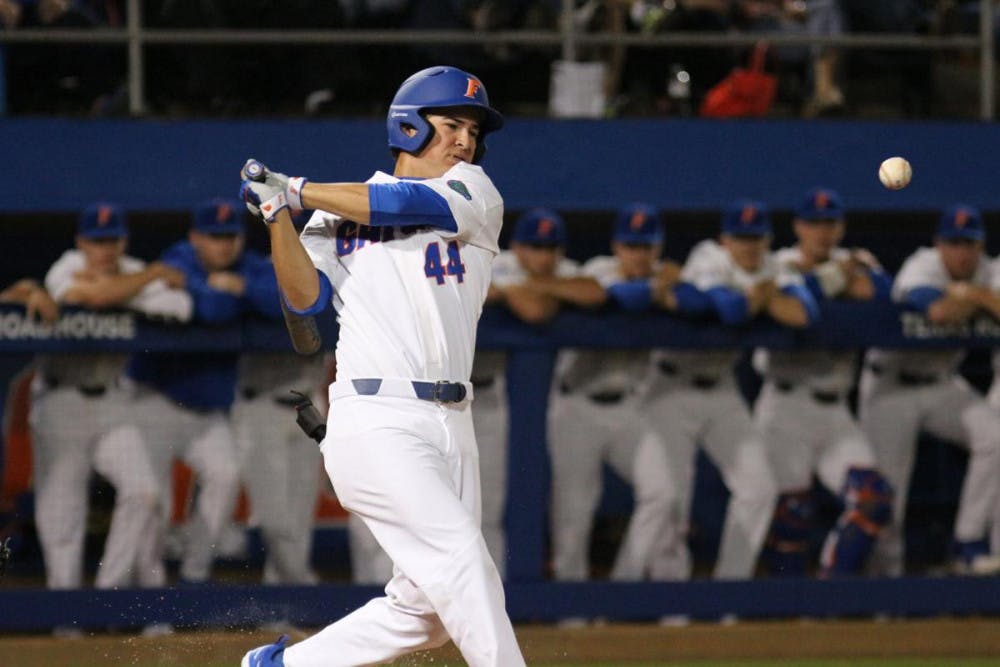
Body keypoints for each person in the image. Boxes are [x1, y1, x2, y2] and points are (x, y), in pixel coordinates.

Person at [238, 65, 526, 667]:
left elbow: (400, 202)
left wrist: (296, 190)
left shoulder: (474, 190)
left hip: (455, 421)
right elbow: (303, 301)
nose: (465, 141)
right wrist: (276, 218)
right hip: (376, 417)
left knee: (424, 613)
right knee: (462, 561)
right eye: (450, 125)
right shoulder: (329, 215)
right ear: (408, 126)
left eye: (473, 130)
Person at [637, 200, 813, 582]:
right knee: (672, 501)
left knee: (759, 488)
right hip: (671, 386)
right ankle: (670, 607)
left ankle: (728, 594)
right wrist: (764, 295)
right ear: (725, 239)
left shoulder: (772, 266)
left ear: (767, 240)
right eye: (740, 237)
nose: (748, 246)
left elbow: (802, 314)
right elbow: (728, 309)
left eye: (756, 238)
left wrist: (757, 296)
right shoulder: (708, 257)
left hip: (722, 389)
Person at [30, 202, 191, 596]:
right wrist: (147, 278)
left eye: (113, 240)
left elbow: (179, 305)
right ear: (81, 242)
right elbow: (81, 296)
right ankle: (65, 615)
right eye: (97, 241)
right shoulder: (66, 265)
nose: (105, 250)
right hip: (60, 400)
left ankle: (107, 594)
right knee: (62, 514)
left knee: (144, 492)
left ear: (124, 241)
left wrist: (115, 289)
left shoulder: (132, 269)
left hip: (111, 403)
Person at [127, 198, 281, 584]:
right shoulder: (178, 256)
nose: (224, 245)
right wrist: (213, 289)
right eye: (214, 237)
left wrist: (239, 288)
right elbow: (213, 311)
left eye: (230, 237)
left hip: (208, 410)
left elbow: (286, 300)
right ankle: (151, 592)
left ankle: (194, 576)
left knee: (226, 475)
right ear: (195, 237)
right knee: (153, 501)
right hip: (155, 400)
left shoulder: (249, 267)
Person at [753, 187, 894, 577]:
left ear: (840, 227)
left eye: (829, 223)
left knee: (873, 499)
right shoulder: (776, 262)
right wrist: (838, 278)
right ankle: (786, 614)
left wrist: (841, 277)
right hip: (784, 406)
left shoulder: (858, 263)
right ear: (798, 226)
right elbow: (803, 298)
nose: (822, 231)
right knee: (791, 515)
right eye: (814, 223)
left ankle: (830, 599)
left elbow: (886, 295)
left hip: (835, 412)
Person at [859, 204, 1000, 577]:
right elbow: (937, 312)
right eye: (954, 243)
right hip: (891, 385)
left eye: (969, 244)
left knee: (995, 436)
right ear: (938, 244)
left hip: (942, 384)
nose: (962, 252)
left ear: (981, 246)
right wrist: (978, 299)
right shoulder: (921, 265)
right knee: (891, 494)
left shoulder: (989, 269)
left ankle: (967, 541)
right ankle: (885, 590)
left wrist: (970, 294)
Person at [472, 207, 606, 578]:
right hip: (440, 398)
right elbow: (535, 310)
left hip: (489, 396)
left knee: (490, 506)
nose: (542, 256)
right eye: (534, 246)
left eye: (550, 248)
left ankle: (489, 601)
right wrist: (532, 290)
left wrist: (528, 287)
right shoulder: (492, 260)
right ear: (516, 246)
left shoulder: (555, 271)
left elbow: (592, 293)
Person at [547, 203, 677, 584]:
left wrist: (666, 282)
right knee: (574, 510)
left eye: (646, 247)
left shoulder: (664, 276)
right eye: (631, 246)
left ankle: (623, 587)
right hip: (576, 406)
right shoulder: (597, 271)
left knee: (663, 493)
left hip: (628, 409)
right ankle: (569, 610)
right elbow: (622, 297)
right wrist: (661, 285)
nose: (639, 255)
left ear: (657, 248)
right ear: (617, 247)